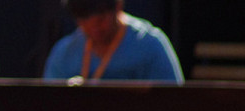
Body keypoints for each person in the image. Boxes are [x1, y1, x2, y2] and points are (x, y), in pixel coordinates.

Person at [43, 0, 183, 83]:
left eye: (100, 20)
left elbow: (173, 104)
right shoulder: (64, 52)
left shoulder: (150, 46)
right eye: (84, 21)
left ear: (118, 6)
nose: (93, 27)